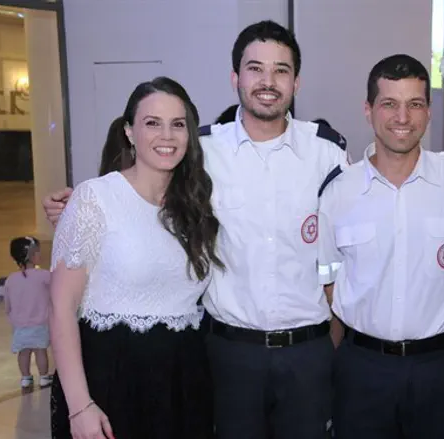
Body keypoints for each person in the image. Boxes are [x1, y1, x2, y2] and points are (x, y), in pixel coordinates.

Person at [43, 21, 348, 439]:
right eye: (255, 68)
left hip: (297, 355)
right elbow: (130, 195)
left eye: (281, 70)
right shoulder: (206, 150)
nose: (267, 81)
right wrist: (74, 208)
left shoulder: (327, 152)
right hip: (223, 355)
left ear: (297, 81)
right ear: (235, 77)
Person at [318, 54, 444, 439]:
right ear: (369, 111)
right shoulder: (338, 192)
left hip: (440, 368)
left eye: (415, 104)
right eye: (389, 104)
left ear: (429, 112)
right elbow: (329, 278)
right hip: (362, 369)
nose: (402, 118)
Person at [49, 76, 220, 439]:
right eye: (152, 123)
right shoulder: (95, 198)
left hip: (184, 381)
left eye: (178, 124)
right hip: (112, 379)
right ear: (129, 132)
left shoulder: (197, 204)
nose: (167, 136)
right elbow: (60, 306)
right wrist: (80, 405)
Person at [4, 236, 52, 389]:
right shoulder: (44, 275)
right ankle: (44, 376)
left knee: (23, 352)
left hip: (20, 325)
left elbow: (7, 304)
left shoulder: (11, 279)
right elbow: (56, 289)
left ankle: (25, 377)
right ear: (31, 256)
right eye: (38, 252)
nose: (41, 255)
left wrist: (13, 317)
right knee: (40, 351)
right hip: (40, 323)